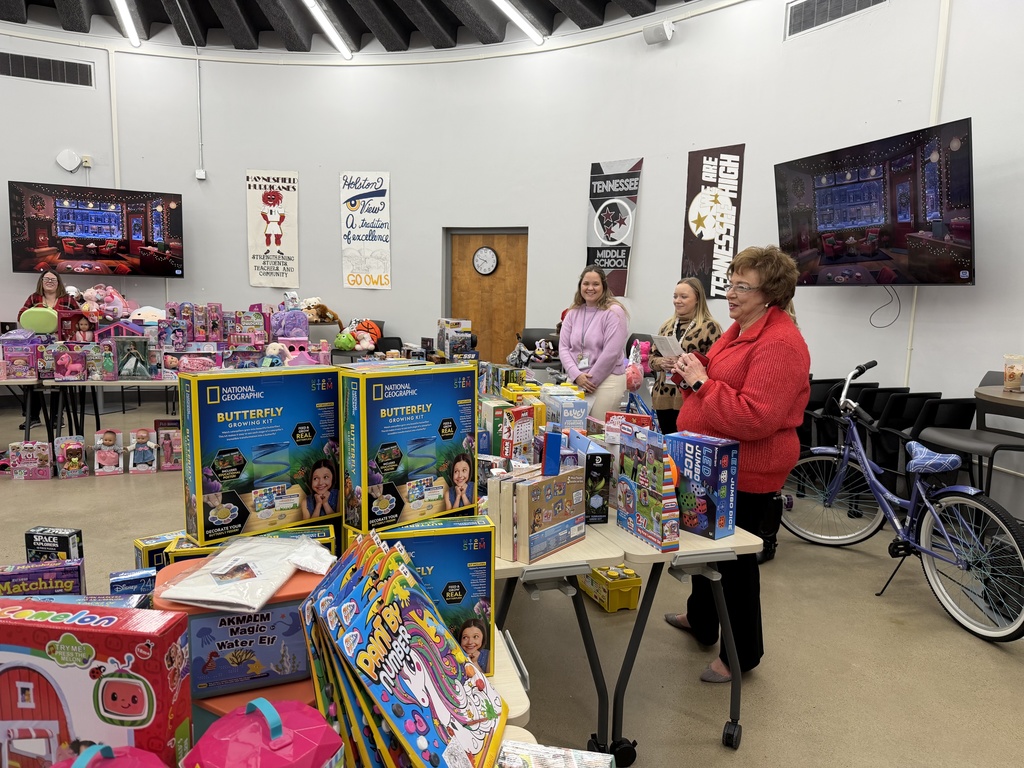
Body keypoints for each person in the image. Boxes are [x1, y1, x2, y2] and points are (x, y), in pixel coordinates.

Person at [664, 245, 810, 684]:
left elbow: (756, 417)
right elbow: (718, 374)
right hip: (713, 461)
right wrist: (689, 368)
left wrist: (701, 383)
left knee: (735, 566)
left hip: (747, 470)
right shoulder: (742, 326)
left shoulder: (781, 343)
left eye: (742, 286)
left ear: (772, 293)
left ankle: (742, 654)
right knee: (708, 550)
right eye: (730, 282)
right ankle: (703, 621)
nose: (730, 293)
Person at [649, 278, 722, 435]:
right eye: (675, 296)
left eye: (683, 297)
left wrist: (686, 363)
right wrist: (662, 362)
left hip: (691, 398)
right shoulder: (666, 326)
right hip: (664, 397)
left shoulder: (710, 327)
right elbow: (651, 360)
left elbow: (716, 365)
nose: (677, 301)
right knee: (667, 448)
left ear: (697, 299)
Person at [558, 265, 630, 420]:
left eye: (595, 284)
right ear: (580, 286)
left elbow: (611, 352)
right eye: (586, 284)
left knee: (598, 433)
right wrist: (576, 375)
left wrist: (591, 380)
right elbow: (563, 347)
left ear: (603, 286)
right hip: (576, 378)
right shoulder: (573, 313)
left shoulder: (614, 312)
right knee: (573, 432)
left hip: (606, 381)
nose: (590, 288)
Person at [18, 270, 80, 429]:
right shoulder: (34, 298)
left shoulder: (68, 299)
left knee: (59, 378)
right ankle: (32, 417)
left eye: (53, 279)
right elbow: (21, 316)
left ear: (58, 282)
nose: (50, 282)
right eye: (46, 279)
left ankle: (57, 416)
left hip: (60, 345)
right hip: (36, 344)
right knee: (32, 379)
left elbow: (80, 317)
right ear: (41, 281)